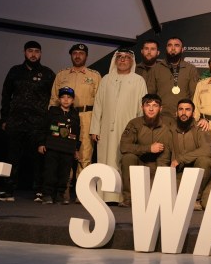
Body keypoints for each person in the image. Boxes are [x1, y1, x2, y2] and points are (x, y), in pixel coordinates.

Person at [0, 41, 56, 202]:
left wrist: (48, 122)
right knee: (12, 157)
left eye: (37, 51)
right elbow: (6, 95)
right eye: (30, 51)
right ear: (24, 52)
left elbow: (53, 99)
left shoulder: (47, 73)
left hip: (38, 123)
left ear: (41, 54)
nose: (33, 54)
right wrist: (5, 118)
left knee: (38, 159)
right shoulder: (15, 71)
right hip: (16, 121)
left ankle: (39, 191)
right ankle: (8, 190)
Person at [89, 47, 146, 204]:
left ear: (132, 61)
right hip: (105, 129)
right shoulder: (106, 79)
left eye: (126, 57)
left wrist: (138, 132)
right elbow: (98, 105)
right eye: (119, 57)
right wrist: (95, 129)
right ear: (115, 60)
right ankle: (104, 195)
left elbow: (141, 108)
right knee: (105, 160)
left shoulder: (138, 80)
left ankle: (121, 196)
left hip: (127, 129)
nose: (122, 60)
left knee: (124, 160)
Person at [50, 43, 101, 184]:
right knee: (64, 152)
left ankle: (83, 189)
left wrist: (97, 125)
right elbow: (54, 99)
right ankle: (64, 188)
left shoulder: (95, 75)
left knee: (84, 155)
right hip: (65, 116)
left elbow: (100, 102)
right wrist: (53, 120)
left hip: (86, 117)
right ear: (71, 55)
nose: (78, 56)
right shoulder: (62, 75)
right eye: (75, 53)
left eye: (81, 53)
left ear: (86, 56)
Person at [119, 93, 173, 207]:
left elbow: (185, 123)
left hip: (161, 165)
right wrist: (148, 148)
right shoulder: (135, 123)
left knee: (153, 200)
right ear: (142, 107)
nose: (151, 109)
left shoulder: (169, 123)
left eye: (155, 105)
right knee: (127, 158)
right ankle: (128, 198)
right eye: (148, 105)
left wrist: (203, 121)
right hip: (140, 164)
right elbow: (124, 146)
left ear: (160, 108)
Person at [169, 98, 211, 210]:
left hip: (197, 173)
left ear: (193, 113)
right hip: (178, 173)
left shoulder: (201, 127)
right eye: (181, 109)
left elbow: (207, 150)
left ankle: (195, 198)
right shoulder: (170, 129)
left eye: (187, 109)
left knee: (205, 161)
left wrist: (180, 159)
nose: (184, 113)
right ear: (176, 112)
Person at [38, 86, 80, 204]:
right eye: (63, 97)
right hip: (52, 147)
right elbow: (43, 128)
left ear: (73, 100)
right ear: (59, 99)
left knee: (64, 174)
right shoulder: (52, 112)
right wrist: (41, 143)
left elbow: (77, 132)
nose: (66, 100)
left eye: (69, 97)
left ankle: (60, 195)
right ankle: (47, 194)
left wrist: (76, 149)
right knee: (50, 172)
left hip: (68, 149)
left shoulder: (75, 115)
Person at [151, 36, 200, 119]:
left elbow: (194, 96)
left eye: (177, 45)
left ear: (182, 49)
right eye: (170, 45)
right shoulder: (156, 68)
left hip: (183, 117)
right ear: (166, 48)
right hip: (161, 118)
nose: (173, 48)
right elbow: (151, 95)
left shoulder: (190, 69)